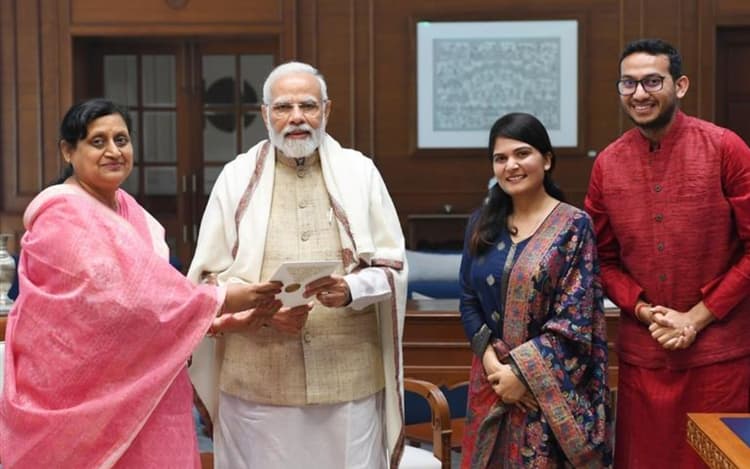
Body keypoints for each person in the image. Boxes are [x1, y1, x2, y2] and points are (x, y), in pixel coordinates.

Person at [0, 98, 289, 467]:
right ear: (68, 151)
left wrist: (224, 320)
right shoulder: (60, 218)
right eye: (98, 141)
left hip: (151, 389)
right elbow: (123, 303)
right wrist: (225, 300)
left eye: (121, 140)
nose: (113, 151)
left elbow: (156, 308)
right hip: (78, 400)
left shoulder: (130, 211)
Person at [187, 61, 407, 468]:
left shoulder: (360, 173)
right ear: (264, 114)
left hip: (348, 378)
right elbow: (205, 282)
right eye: (283, 107)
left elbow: (393, 267)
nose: (296, 118)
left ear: (327, 110)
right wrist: (261, 313)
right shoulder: (236, 178)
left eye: (308, 106)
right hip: (257, 380)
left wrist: (351, 290)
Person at [585, 38, 750, 468]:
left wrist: (696, 318)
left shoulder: (726, 148)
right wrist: (643, 311)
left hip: (720, 357)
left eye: (652, 81)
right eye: (628, 83)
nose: (639, 93)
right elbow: (601, 260)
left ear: (680, 85)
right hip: (645, 355)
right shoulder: (607, 164)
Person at [459, 112, 613, 468]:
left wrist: (522, 375)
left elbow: (575, 320)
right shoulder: (481, 224)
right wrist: (494, 367)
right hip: (491, 382)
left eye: (522, 153)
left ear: (546, 159)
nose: (511, 165)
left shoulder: (573, 227)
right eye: (500, 158)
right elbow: (468, 300)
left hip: (546, 393)